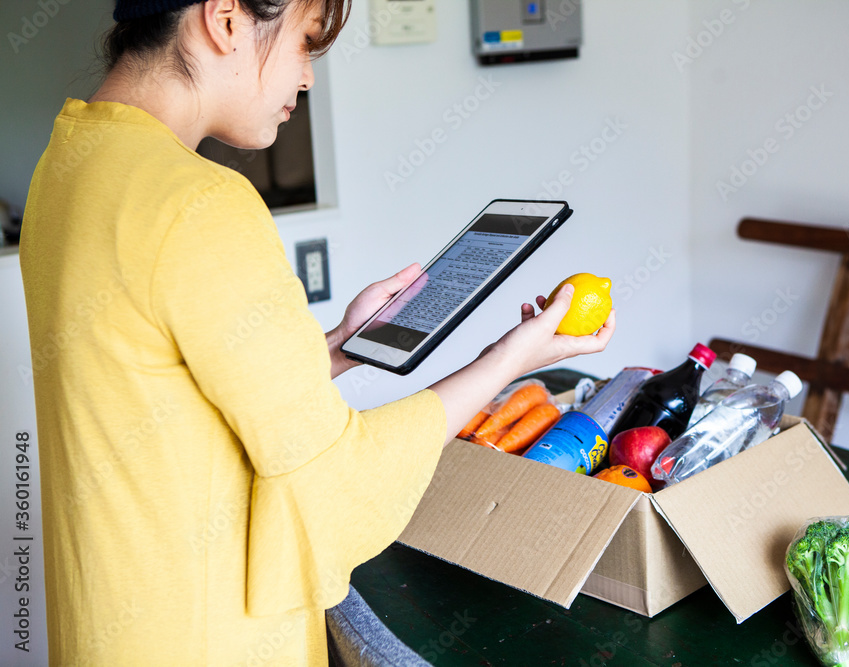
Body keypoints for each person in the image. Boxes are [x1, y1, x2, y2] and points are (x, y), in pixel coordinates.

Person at [18, 0, 615, 664]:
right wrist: (509, 357)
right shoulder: (199, 203)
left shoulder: (69, 161)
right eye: (305, 42)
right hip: (207, 634)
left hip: (111, 621)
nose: (306, 78)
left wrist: (335, 347)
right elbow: (336, 478)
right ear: (225, 21)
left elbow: (170, 386)